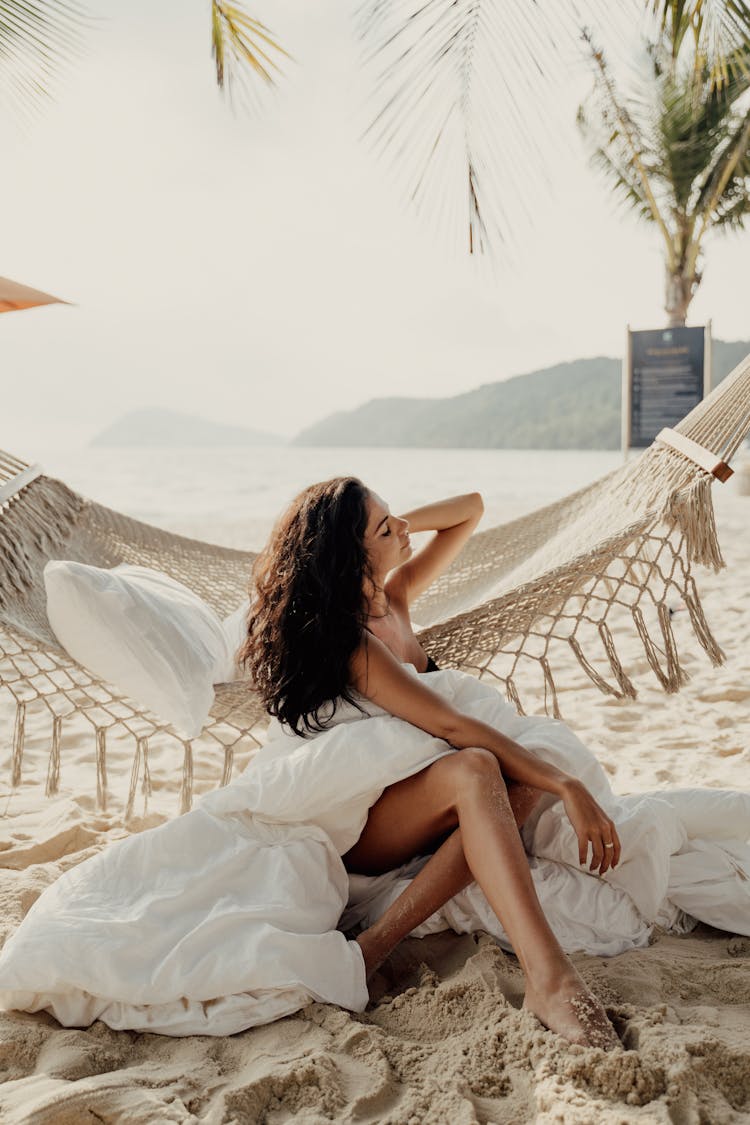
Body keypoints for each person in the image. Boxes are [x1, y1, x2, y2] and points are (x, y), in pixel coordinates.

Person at [240, 476, 622, 1049]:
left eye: (396, 518)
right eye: (383, 526)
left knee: (520, 772)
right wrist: (568, 785)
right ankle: (546, 976)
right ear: (350, 551)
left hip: (421, 794)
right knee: (480, 766)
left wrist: (391, 530)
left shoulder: (394, 598)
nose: (401, 529)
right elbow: (449, 725)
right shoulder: (352, 640)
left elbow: (470, 509)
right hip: (368, 826)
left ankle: (396, 942)